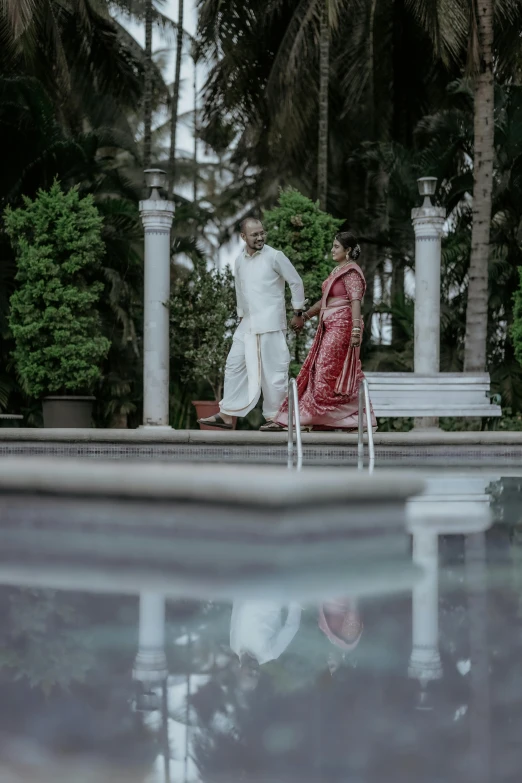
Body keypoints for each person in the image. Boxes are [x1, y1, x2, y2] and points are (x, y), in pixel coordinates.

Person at [198, 218, 305, 430]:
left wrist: (298, 311)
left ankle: (277, 418)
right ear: (243, 237)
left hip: (271, 323)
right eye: (254, 234)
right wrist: (240, 314)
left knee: (273, 373)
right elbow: (240, 289)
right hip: (247, 323)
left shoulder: (275, 256)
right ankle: (227, 414)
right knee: (233, 365)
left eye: (262, 233)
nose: (260, 237)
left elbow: (296, 281)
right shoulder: (239, 261)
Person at [267, 231, 377, 432]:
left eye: (336, 246)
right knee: (323, 371)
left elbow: (355, 302)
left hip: (343, 327)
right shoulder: (338, 270)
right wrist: (306, 316)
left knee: (324, 372)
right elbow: (325, 301)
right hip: (329, 326)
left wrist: (354, 330)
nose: (332, 250)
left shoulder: (351, 273)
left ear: (348, 250)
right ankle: (337, 419)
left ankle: (328, 416)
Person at [229, 599, 302, 691]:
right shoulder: (270, 652)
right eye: (256, 676)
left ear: (239, 672)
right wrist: (295, 598)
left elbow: (237, 609)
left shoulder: (234, 644)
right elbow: (292, 626)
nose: (255, 671)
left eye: (250, 674)